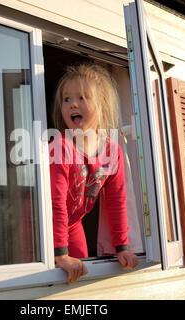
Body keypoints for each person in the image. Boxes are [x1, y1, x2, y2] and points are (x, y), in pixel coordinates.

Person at [49, 64, 139, 284]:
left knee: (81, 276)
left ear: (102, 106)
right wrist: (59, 253)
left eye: (82, 97)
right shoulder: (60, 146)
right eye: (66, 99)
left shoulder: (112, 151)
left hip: (73, 225)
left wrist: (122, 247)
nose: (72, 105)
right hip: (40, 225)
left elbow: (117, 201)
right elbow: (56, 203)